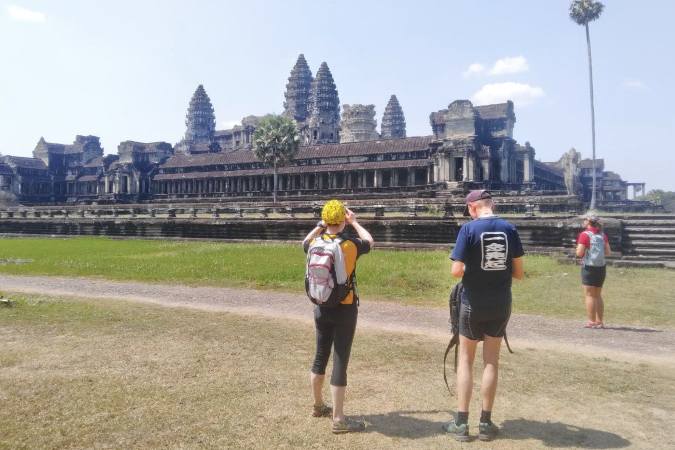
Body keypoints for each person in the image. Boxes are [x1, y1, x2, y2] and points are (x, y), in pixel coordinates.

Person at [443, 190, 524, 442]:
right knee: (491, 361)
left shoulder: (468, 230)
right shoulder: (509, 229)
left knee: (466, 361)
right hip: (500, 303)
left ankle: (461, 422)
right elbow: (519, 273)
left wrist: (472, 265)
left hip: (472, 303)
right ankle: (486, 423)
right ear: (492, 205)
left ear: (471, 208)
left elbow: (456, 271)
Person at [302, 199, 374, 434]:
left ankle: (318, 405)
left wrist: (321, 225)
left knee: (320, 354)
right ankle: (339, 418)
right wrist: (354, 222)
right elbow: (370, 241)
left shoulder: (315, 242)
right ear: (342, 219)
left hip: (321, 305)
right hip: (345, 307)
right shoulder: (349, 245)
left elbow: (303, 243)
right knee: (340, 359)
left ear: (325, 219)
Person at [575, 213, 611, 328]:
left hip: (589, 267)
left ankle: (591, 321)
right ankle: (600, 321)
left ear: (588, 222)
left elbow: (579, 253)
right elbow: (608, 252)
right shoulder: (602, 235)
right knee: (598, 295)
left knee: (589, 295)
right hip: (601, 267)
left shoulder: (584, 235)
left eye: (584, 220)